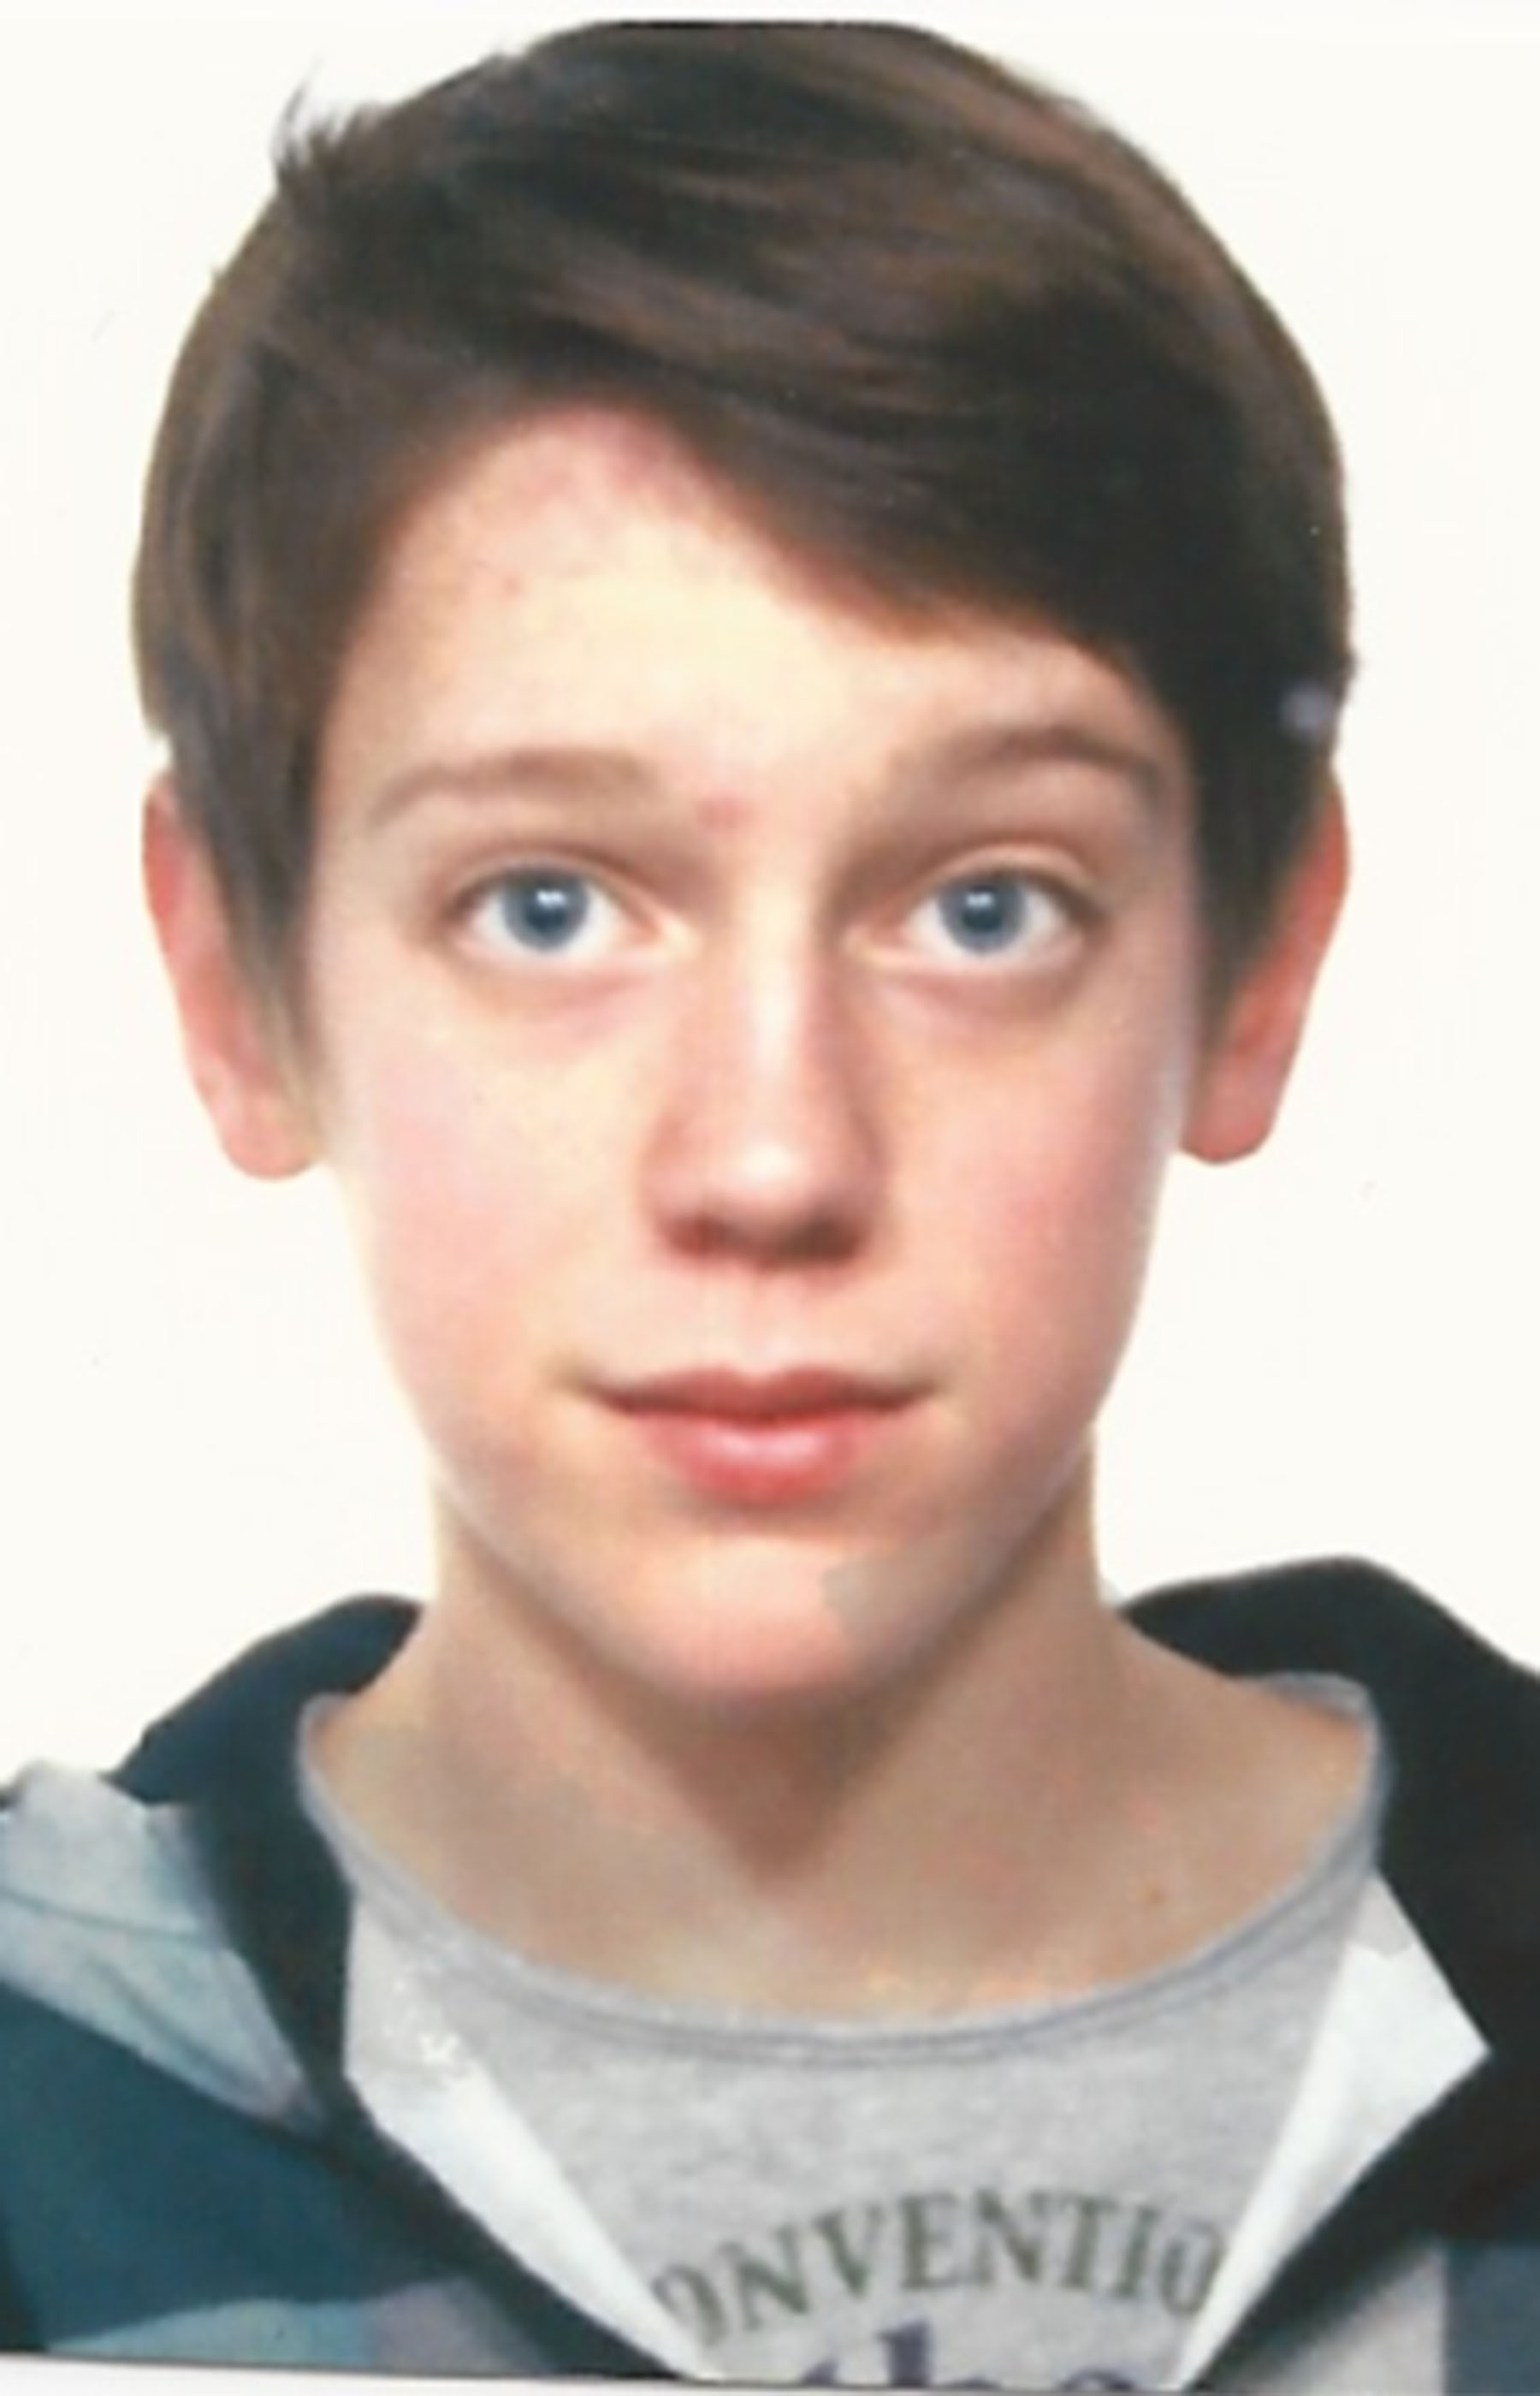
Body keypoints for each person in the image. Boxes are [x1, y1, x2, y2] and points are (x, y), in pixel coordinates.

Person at [1, 19, 1537, 2388]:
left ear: (1255, 968)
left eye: (986, 907)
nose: (771, 1161)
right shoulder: (50, 2119)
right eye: (545, 906)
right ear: (235, 983)